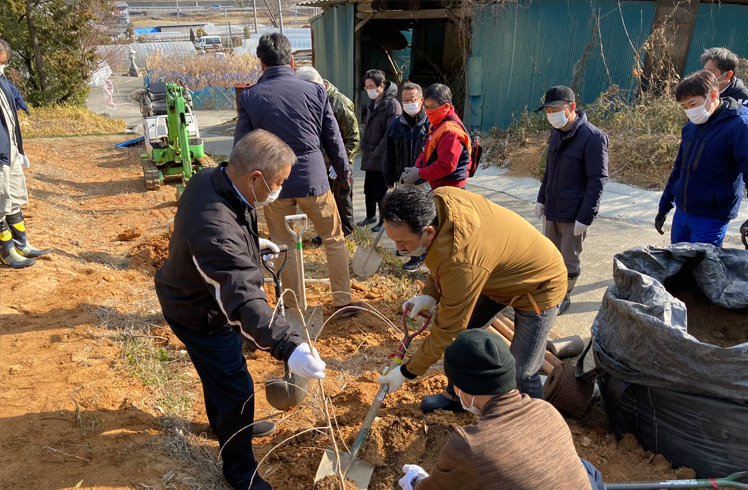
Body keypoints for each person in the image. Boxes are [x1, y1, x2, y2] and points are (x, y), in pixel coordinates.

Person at [155, 130, 327, 490]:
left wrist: (250, 246)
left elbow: (230, 238)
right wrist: (289, 345)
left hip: (186, 293)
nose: (279, 190)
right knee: (236, 387)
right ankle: (240, 472)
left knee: (215, 372)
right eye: (278, 183)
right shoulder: (215, 227)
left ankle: (225, 426)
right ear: (255, 177)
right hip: (197, 313)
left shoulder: (211, 180)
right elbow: (243, 299)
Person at [376, 186, 567, 413]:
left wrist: (408, 371)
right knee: (462, 346)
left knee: (522, 371)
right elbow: (442, 258)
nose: (399, 249)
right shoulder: (440, 200)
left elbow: (448, 329)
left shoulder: (463, 261)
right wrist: (430, 293)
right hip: (493, 275)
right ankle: (457, 396)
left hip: (538, 284)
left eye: (402, 243)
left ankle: (536, 431)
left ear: (428, 232)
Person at [234, 33, 363, 316]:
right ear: (291, 60)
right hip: (313, 181)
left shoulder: (251, 96)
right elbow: (333, 139)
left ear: (261, 63)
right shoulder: (315, 91)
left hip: (273, 184)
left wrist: (239, 187)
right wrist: (344, 174)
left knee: (284, 245)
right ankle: (342, 301)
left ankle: (294, 307)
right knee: (333, 239)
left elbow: (242, 147)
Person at [397, 329, 602, 490]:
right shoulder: (545, 409)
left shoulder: (470, 445)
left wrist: (416, 480)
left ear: (460, 387)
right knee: (585, 468)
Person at [534, 85, 608, 314]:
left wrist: (586, 217)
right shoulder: (557, 133)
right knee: (550, 255)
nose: (551, 115)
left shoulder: (593, 138)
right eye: (547, 111)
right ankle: (551, 290)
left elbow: (597, 180)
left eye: (555, 110)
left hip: (573, 214)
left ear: (572, 107)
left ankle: (564, 296)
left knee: (568, 259)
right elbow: (550, 170)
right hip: (553, 209)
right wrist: (541, 198)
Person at [655, 70, 748, 246]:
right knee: (678, 265)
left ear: (713, 95)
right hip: (682, 213)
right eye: (684, 107)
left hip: (711, 217)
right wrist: (665, 205)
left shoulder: (739, 125)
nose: (690, 111)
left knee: (702, 268)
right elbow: (679, 168)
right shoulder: (691, 127)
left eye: (692, 104)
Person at [296, 66, 359, 243]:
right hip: (320, 163)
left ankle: (347, 233)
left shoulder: (340, 103)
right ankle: (325, 233)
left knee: (342, 199)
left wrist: (342, 162)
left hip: (339, 162)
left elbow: (353, 137)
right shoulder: (310, 101)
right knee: (323, 201)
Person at [0, 38, 47, 269]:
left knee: (15, 199)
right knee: (1, 204)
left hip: (10, 152)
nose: (2, 68)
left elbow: (11, 101)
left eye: (3, 64)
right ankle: (7, 252)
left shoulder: (2, 81)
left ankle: (21, 244)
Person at [385, 80, 430, 272]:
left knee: (422, 220)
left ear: (421, 100)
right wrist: (389, 181)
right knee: (406, 220)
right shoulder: (396, 124)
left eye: (412, 99)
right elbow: (390, 155)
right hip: (403, 179)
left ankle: (420, 256)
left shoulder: (430, 125)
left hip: (424, 181)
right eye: (405, 100)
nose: (408, 103)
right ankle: (409, 249)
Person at [399, 83, 471, 190]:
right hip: (438, 185)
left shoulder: (450, 132)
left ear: (446, 107)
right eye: (426, 107)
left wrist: (418, 174)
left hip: (450, 189)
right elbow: (427, 150)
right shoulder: (437, 123)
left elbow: (445, 166)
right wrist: (416, 168)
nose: (428, 111)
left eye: (432, 107)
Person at [359, 68, 401, 232]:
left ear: (381, 85)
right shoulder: (373, 103)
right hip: (370, 153)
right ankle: (370, 216)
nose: (368, 89)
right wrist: (364, 145)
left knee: (381, 192)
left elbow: (390, 134)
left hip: (382, 156)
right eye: (366, 86)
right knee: (368, 189)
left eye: (371, 86)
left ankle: (384, 220)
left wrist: (378, 152)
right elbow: (367, 127)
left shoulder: (392, 105)